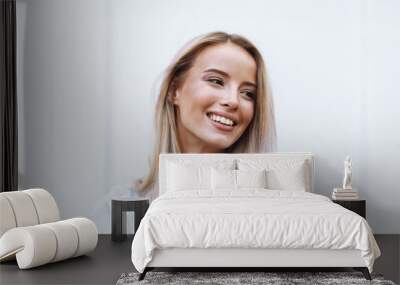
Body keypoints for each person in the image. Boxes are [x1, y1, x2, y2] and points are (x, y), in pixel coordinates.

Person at [136, 31, 276, 197]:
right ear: (174, 91)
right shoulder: (116, 209)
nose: (233, 101)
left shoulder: (260, 209)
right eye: (216, 81)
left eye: (248, 93)